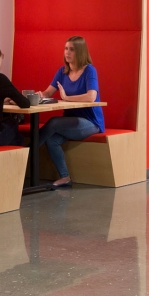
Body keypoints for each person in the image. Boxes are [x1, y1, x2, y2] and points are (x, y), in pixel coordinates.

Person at [36, 36, 104, 187]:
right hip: (70, 121)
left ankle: (28, 152)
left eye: (72, 49)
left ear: (80, 52)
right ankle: (65, 177)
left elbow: (91, 96)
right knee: (51, 140)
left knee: (53, 122)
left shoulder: (89, 70)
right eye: (66, 48)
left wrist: (67, 98)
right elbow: (47, 93)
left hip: (90, 122)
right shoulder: (62, 71)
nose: (67, 52)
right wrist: (36, 96)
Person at [0, 43, 30, 147]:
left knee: (18, 137)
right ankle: (26, 160)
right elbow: (25, 103)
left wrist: (0, 100)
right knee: (13, 125)